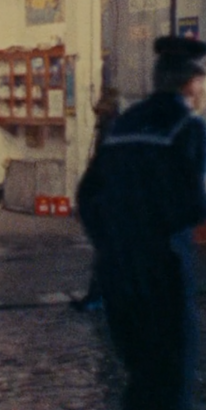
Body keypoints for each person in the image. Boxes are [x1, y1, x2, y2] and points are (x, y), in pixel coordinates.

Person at [76, 36, 206, 410]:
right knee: (171, 384)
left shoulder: (124, 123)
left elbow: (87, 194)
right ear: (194, 82)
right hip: (162, 271)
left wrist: (111, 241)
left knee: (141, 379)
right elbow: (199, 203)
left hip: (116, 270)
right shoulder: (188, 126)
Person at [71, 87, 121, 313]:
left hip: (106, 197)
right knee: (106, 251)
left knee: (105, 251)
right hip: (106, 196)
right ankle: (100, 295)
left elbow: (103, 163)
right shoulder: (108, 126)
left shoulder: (108, 127)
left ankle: (97, 296)